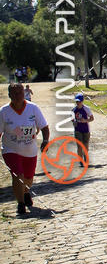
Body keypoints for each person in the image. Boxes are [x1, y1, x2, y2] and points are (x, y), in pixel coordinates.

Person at [1, 83, 49, 215]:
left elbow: (44, 127)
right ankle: (20, 204)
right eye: (15, 94)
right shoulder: (4, 111)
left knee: (28, 177)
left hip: (29, 150)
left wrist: (45, 140)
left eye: (20, 93)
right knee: (18, 174)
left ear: (24, 93)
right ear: (10, 95)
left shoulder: (33, 108)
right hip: (10, 149)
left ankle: (26, 191)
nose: (18, 96)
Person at [72, 93, 94, 166]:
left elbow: (92, 118)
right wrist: (74, 121)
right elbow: (72, 118)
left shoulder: (86, 109)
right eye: (76, 102)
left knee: (86, 145)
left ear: (82, 101)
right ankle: (81, 161)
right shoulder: (73, 110)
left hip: (85, 129)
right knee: (79, 146)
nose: (78, 103)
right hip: (77, 129)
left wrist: (85, 120)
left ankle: (86, 158)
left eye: (79, 101)